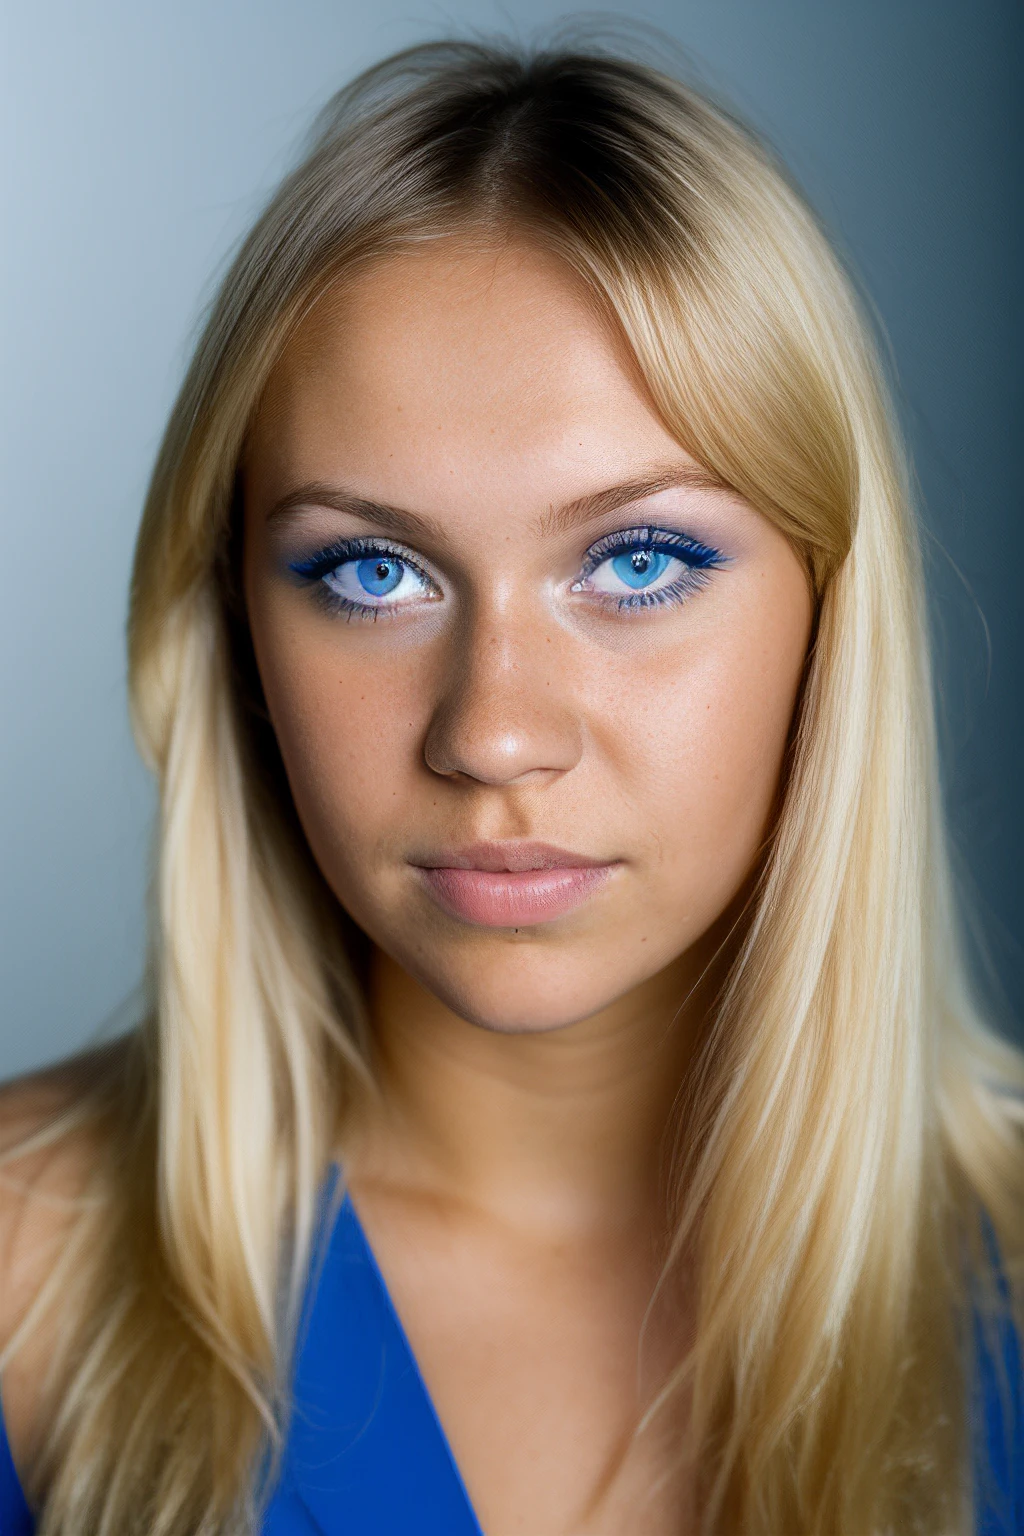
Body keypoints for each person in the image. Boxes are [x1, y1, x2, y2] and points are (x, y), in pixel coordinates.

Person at [0, 38, 1021, 1536]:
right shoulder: (24, 1273)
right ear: (235, 629)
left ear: (830, 613)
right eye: (373, 570)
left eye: (638, 563)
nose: (491, 734)